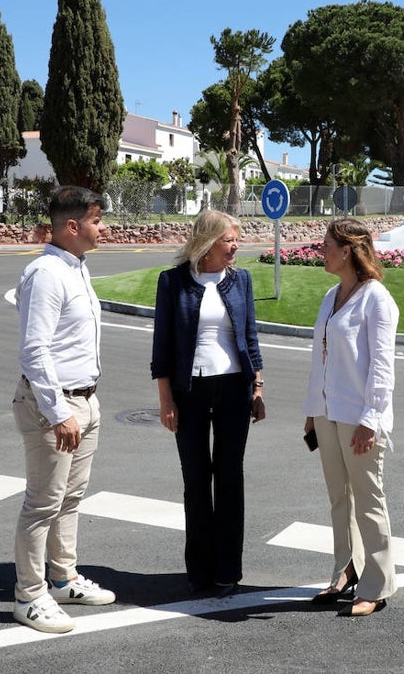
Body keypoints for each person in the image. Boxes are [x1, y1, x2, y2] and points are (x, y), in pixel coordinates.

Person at [11, 185, 115, 634]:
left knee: (70, 499)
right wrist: (58, 412)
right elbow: (34, 352)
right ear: (72, 226)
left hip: (84, 399)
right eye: (96, 221)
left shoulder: (77, 268)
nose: (103, 228)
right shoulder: (47, 274)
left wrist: (81, 406)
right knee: (42, 503)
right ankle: (29, 596)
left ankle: (62, 577)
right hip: (54, 404)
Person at [151, 210, 266, 597]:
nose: (237, 246)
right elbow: (162, 349)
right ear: (208, 242)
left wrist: (258, 387)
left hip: (235, 388)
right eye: (230, 240)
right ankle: (199, 570)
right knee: (196, 480)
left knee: (230, 479)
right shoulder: (173, 282)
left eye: (236, 239)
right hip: (190, 391)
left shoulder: (241, 280)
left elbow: (250, 336)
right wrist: (166, 401)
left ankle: (227, 571)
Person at [304, 218, 399, 617]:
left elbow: (382, 366)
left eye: (326, 245)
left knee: (368, 499)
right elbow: (319, 358)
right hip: (327, 413)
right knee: (338, 497)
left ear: (348, 251)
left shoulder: (376, 298)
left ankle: (377, 584)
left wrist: (371, 419)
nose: (320, 251)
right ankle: (345, 570)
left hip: (359, 416)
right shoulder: (331, 296)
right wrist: (312, 412)